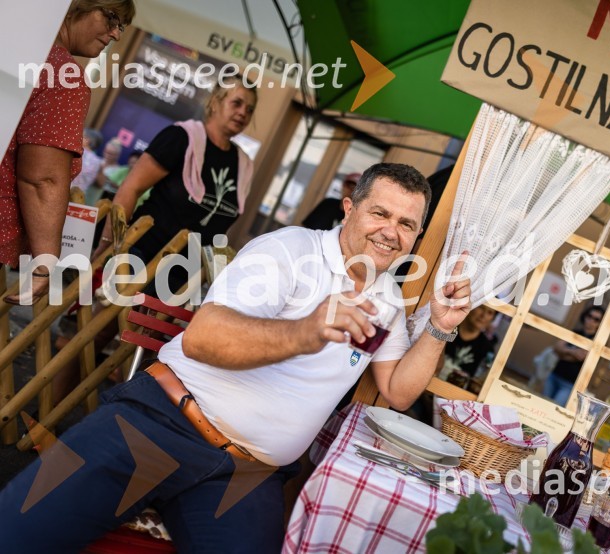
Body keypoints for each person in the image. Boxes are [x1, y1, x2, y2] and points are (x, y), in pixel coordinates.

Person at [0, 162, 472, 551]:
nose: (390, 232)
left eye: (406, 224)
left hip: (247, 475)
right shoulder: (290, 251)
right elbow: (203, 339)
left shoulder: (388, 299)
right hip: (162, 423)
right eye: (379, 214)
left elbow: (396, 388)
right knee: (18, 531)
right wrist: (306, 331)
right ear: (348, 209)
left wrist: (438, 327)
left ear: (417, 234)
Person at [0, 0, 135, 304]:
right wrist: (44, 265)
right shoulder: (63, 76)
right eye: (112, 18)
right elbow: (42, 179)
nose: (115, 34)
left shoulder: (12, 45)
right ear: (77, 5)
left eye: (122, 26)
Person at [91, 73, 257, 298]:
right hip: (142, 255)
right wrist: (108, 243)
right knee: (101, 327)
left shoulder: (243, 164)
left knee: (141, 334)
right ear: (215, 102)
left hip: (184, 276)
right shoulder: (180, 137)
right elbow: (131, 188)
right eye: (236, 103)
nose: (242, 113)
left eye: (249, 109)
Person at [543, 305, 605, 405]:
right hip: (554, 375)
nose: (591, 320)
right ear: (585, 316)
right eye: (589, 316)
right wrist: (573, 352)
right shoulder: (575, 332)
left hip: (570, 384)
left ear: (599, 324)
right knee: (541, 405)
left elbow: (580, 356)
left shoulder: (596, 342)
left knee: (553, 410)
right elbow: (556, 348)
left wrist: (564, 352)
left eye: (596, 319)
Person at [438, 304, 497, 379]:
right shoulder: (446, 329)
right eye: (481, 308)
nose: (483, 315)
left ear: (492, 319)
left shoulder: (487, 349)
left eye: (490, 313)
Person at [71, 128, 104, 194]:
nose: (77, 137)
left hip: (65, 190)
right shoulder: (98, 162)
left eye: (81, 136)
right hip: (80, 196)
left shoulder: (78, 152)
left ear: (87, 140)